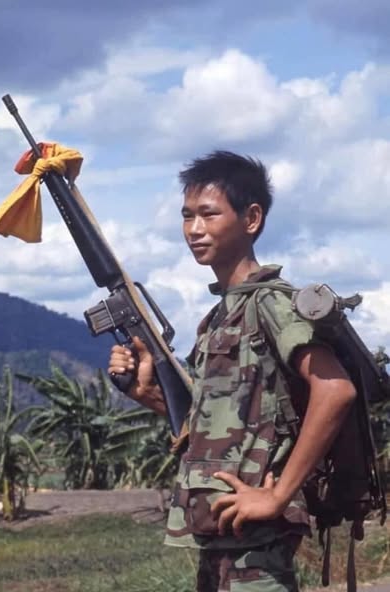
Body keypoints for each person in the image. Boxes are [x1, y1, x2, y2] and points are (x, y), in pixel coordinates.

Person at [108, 151, 356, 592]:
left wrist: (277, 496)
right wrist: (145, 392)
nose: (194, 229)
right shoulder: (219, 317)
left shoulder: (270, 303)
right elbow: (216, 423)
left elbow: (335, 390)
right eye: (187, 216)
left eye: (209, 214)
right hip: (221, 535)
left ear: (251, 218)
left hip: (259, 543)